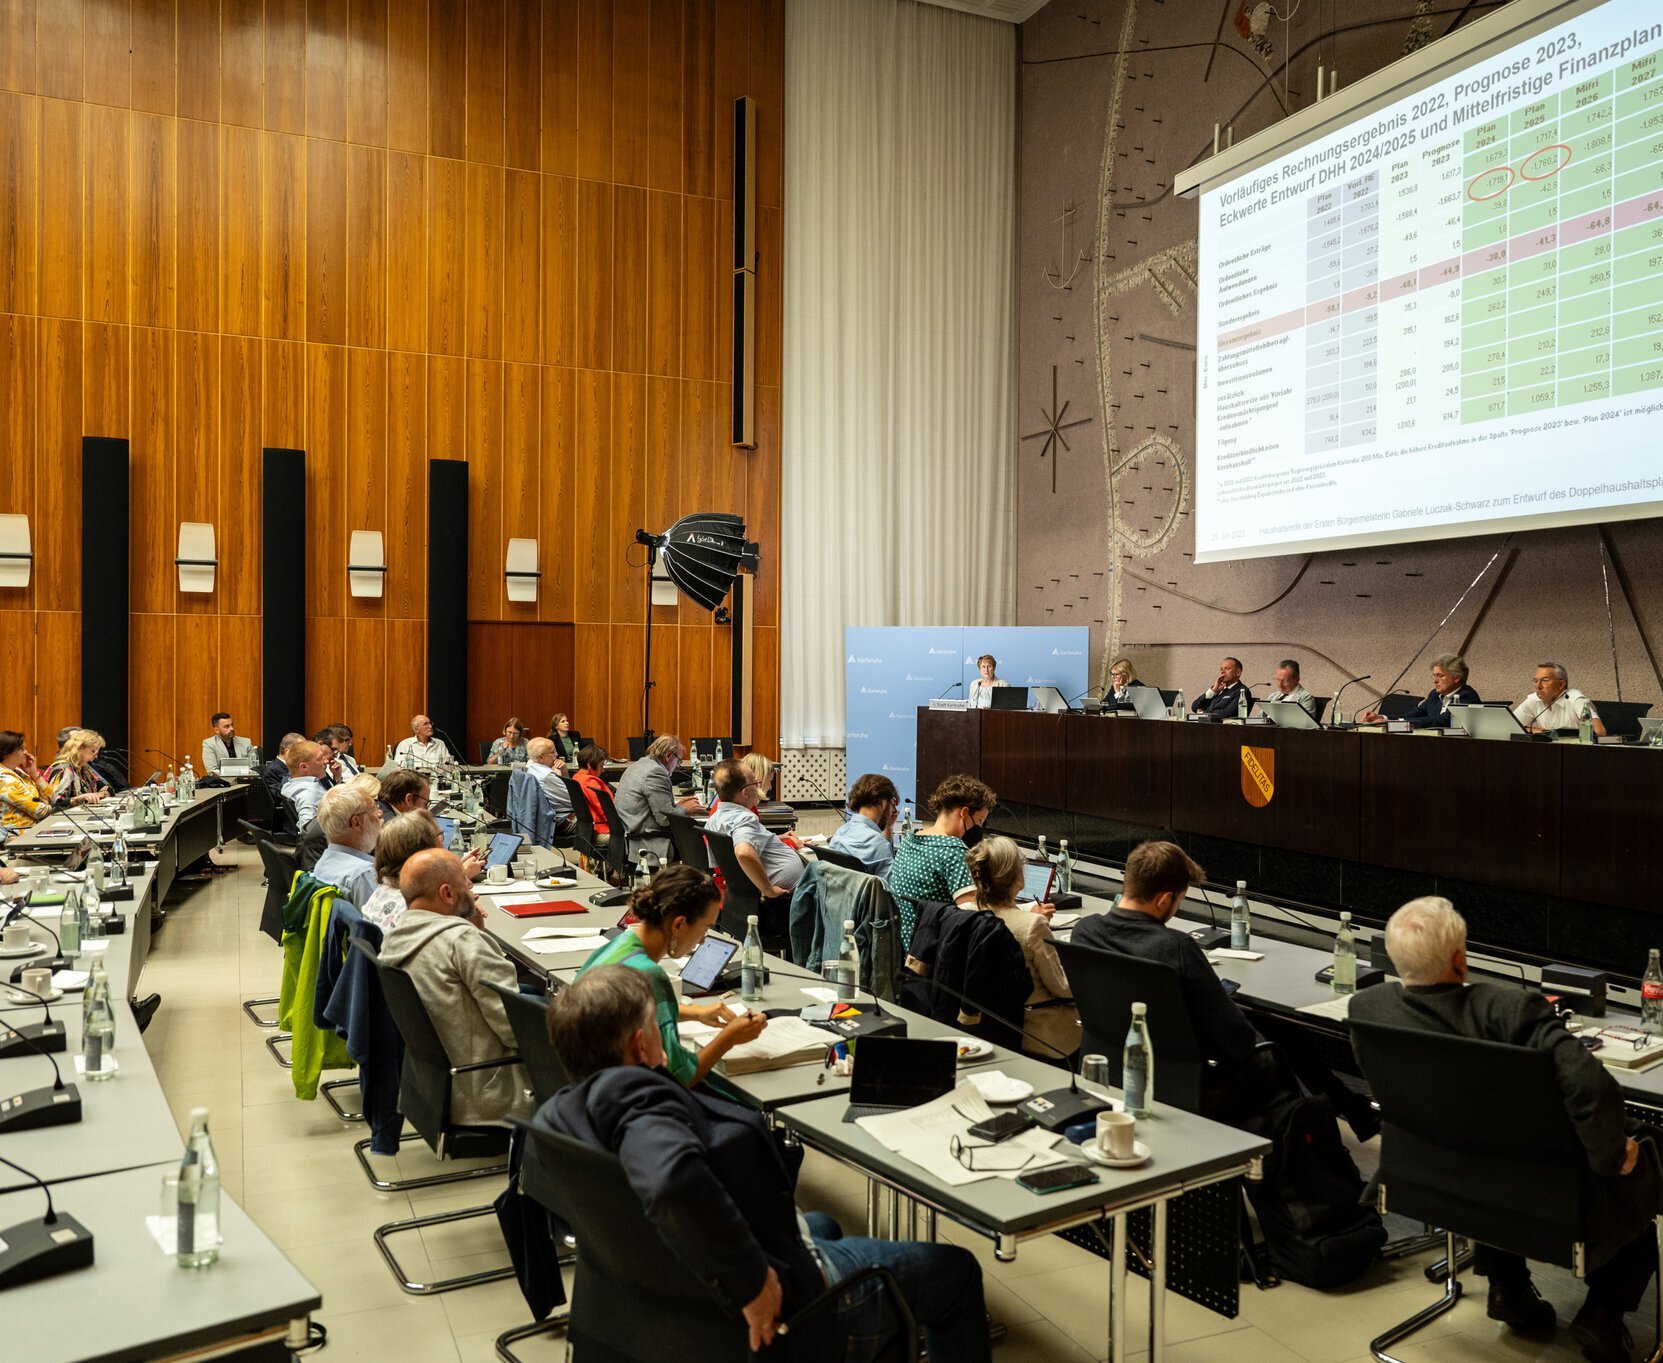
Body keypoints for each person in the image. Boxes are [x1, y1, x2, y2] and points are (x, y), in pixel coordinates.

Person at [541, 966, 992, 1362]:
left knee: (825, 1223)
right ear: (641, 1044)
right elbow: (670, 1182)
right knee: (958, 1273)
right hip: (786, 1312)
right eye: (659, 1026)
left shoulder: (561, 1114)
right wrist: (753, 1284)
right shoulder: (642, 1106)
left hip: (667, 1309)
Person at [1353, 898, 1657, 1359]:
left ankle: (1508, 1287)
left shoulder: (1367, 1008)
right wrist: (1613, 1157)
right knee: (1647, 1157)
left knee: (1491, 1148)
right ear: (1460, 958)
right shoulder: (1510, 1010)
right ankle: (1603, 1314)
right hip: (1547, 1197)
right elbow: (1593, 1089)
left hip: (1438, 1185)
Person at [1072, 840, 1375, 1138]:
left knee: (1272, 1027)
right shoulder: (1175, 947)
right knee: (1280, 1039)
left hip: (1115, 1061)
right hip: (1195, 1079)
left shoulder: (1085, 932)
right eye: (1179, 901)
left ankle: (1353, 1109)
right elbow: (1238, 1041)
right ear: (1164, 900)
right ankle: (1324, 1135)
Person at [575, 866, 768, 1087]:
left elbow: (626, 1010)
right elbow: (681, 1077)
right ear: (678, 924)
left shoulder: (618, 945)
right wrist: (730, 1037)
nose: (703, 941)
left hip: (594, 1087)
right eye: (704, 929)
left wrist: (696, 1013)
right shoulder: (650, 976)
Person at [378, 849, 531, 1125]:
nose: (471, 886)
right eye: (465, 880)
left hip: (436, 1086)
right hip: (490, 1092)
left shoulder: (395, 937)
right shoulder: (462, 942)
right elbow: (515, 1030)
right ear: (447, 893)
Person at [966, 836, 1078, 1059]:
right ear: (1017, 877)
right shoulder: (1032, 926)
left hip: (984, 1024)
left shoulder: (964, 913)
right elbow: (1063, 987)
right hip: (1035, 1031)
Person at [888, 773, 995, 948]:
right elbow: (973, 918)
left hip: (908, 949)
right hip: (938, 953)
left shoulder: (910, 840)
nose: (980, 828)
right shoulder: (953, 851)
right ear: (965, 813)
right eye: (980, 821)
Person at [704, 760, 805, 900]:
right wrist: (769, 890)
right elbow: (744, 852)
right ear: (745, 792)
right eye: (755, 784)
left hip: (741, 893)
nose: (758, 787)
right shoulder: (744, 818)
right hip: (785, 895)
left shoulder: (714, 820)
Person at [613, 735, 698, 860]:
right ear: (668, 756)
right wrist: (684, 809)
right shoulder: (655, 773)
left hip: (629, 835)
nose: (678, 765)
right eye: (678, 760)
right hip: (648, 842)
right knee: (700, 845)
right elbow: (665, 819)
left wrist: (678, 806)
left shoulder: (638, 765)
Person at [360, 809, 444, 931]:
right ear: (423, 852)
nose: (443, 843)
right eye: (439, 836)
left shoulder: (382, 892)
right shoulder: (420, 911)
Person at [308, 782, 383, 908]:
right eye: (373, 808)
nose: (380, 813)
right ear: (356, 822)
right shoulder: (362, 875)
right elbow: (379, 925)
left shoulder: (323, 861)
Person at [1357, 653, 1478, 727]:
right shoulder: (1435, 695)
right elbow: (1410, 715)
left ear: (1456, 677)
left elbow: (1441, 721)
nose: (1435, 681)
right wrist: (1382, 718)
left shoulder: (1467, 696)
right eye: (1434, 676)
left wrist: (1398, 723)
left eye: (1440, 676)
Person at [825, 773, 898, 881]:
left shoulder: (841, 832)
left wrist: (888, 828)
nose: (893, 811)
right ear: (883, 803)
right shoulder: (878, 844)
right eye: (893, 806)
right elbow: (893, 888)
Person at [1514, 662, 1606, 736]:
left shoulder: (1576, 700)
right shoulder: (1534, 699)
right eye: (1535, 681)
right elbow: (1510, 726)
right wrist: (1543, 732)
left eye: (1545, 680)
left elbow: (1599, 732)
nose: (1538, 686)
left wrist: (1550, 734)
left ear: (1561, 684)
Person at [0, 731, 54, 830]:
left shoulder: (19, 772)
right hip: (16, 834)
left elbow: (51, 797)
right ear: (5, 753)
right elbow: (38, 811)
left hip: (34, 829)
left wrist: (33, 773)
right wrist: (60, 808)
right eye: (21, 749)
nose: (26, 752)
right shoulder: (3, 778)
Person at [523, 737, 576, 833]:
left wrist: (564, 772)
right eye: (552, 752)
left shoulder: (530, 767)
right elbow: (574, 800)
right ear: (540, 758)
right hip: (565, 821)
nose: (556, 755)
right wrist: (559, 775)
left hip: (546, 821)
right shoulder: (547, 776)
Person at [45, 728, 107, 806]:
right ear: (79, 748)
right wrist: (80, 798)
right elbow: (57, 802)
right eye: (93, 751)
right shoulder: (64, 769)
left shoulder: (84, 768)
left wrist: (101, 794)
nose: (96, 756)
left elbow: (108, 788)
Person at [280, 739, 331, 831]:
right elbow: (308, 829)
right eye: (320, 758)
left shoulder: (290, 784)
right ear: (303, 767)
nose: (326, 761)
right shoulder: (310, 793)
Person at [573, 743, 612, 846]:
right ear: (590, 765)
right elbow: (607, 811)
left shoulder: (577, 777)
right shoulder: (590, 782)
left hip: (588, 830)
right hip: (602, 831)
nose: (603, 770)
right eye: (601, 766)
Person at [263, 732, 304, 814]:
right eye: (301, 750)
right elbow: (282, 798)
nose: (304, 753)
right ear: (287, 751)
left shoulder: (297, 766)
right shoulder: (272, 771)